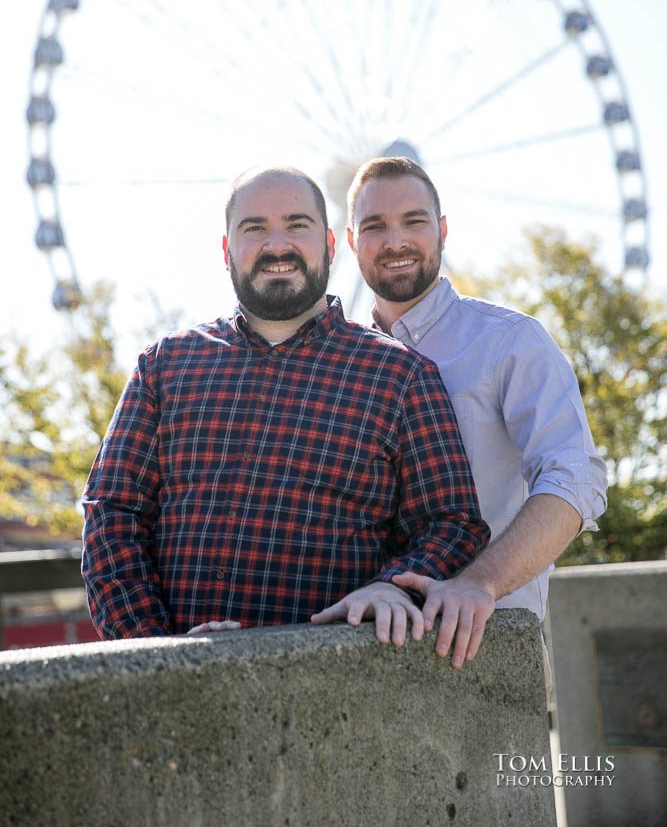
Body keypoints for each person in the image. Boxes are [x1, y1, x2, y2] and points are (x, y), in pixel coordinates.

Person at [82, 166, 489, 646]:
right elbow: (112, 513)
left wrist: (391, 585)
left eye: (298, 225)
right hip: (177, 683)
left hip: (335, 682)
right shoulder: (165, 367)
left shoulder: (400, 376)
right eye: (254, 228)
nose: (278, 245)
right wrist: (156, 648)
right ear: (226, 250)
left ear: (332, 245)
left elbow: (453, 523)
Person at [345, 156, 607, 670]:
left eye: (413, 221)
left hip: (481, 649)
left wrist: (479, 582)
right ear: (351, 241)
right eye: (375, 226)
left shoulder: (507, 342)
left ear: (442, 230)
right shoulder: (340, 362)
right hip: (354, 653)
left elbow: (576, 476)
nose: (395, 240)